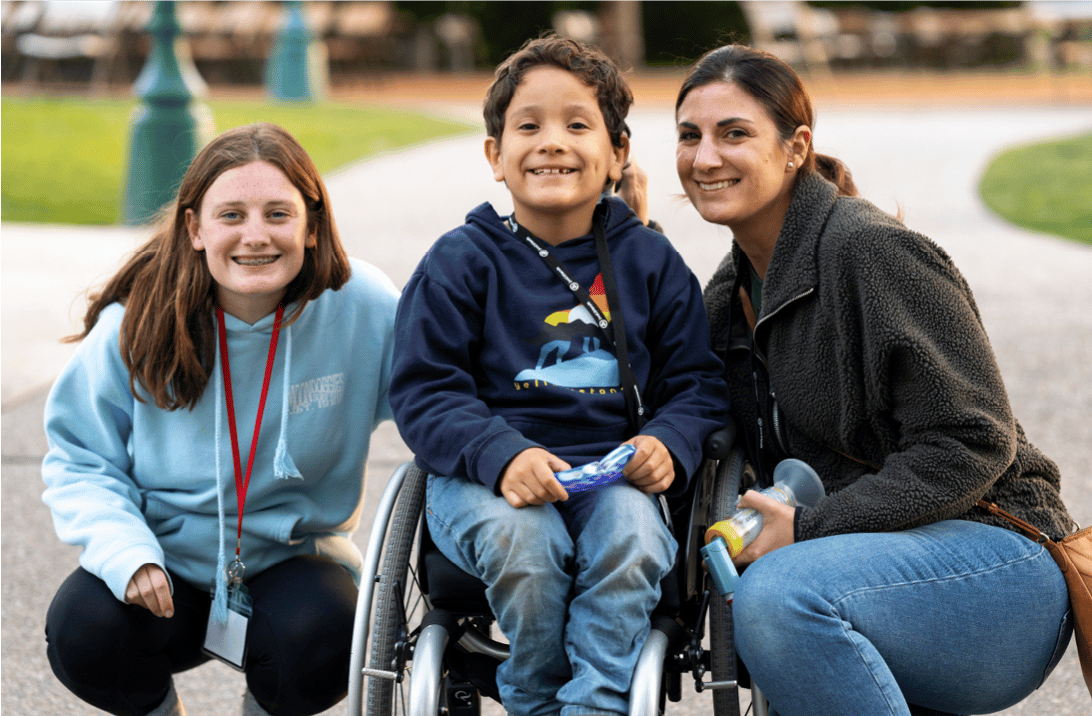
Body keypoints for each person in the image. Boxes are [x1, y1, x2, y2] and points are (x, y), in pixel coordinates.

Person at [670, 45, 1077, 715]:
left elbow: (973, 442)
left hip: (1000, 561)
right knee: (776, 589)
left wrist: (809, 527)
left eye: (734, 132)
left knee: (779, 595)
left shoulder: (871, 253)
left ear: (795, 147)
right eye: (690, 136)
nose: (705, 157)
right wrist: (624, 238)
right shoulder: (726, 299)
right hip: (862, 571)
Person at [388, 35, 728, 716]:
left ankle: (596, 702)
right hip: (486, 480)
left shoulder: (652, 264)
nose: (552, 142)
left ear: (618, 153)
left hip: (612, 476)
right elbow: (425, 390)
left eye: (577, 125)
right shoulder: (460, 262)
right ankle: (536, 700)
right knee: (527, 541)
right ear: (495, 155)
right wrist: (501, 454)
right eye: (529, 126)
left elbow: (697, 383)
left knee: (635, 539)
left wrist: (669, 441)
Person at [41, 123, 399, 716]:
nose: (255, 236)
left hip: (292, 573)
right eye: (231, 214)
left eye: (277, 214)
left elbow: (435, 408)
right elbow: (80, 458)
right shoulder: (139, 322)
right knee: (82, 630)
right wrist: (126, 552)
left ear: (311, 226)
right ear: (195, 229)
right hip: (162, 571)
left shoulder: (364, 306)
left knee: (332, 630)